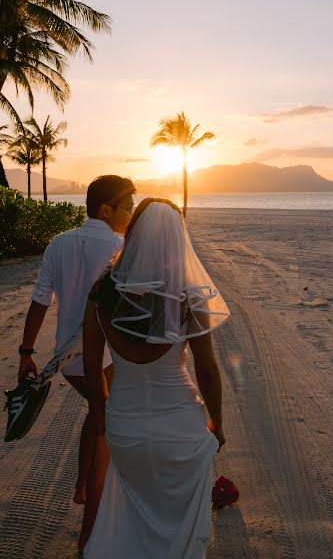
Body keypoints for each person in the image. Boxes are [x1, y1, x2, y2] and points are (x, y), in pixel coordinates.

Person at [80, 198, 230, 558]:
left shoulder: (102, 293)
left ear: (133, 236)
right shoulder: (188, 297)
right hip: (179, 426)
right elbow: (207, 370)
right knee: (176, 518)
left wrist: (103, 419)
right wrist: (218, 424)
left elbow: (91, 369)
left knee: (134, 514)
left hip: (125, 427)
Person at [17, 174, 136, 504]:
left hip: (67, 361)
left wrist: (27, 352)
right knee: (111, 421)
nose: (132, 213)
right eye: (127, 207)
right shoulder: (120, 249)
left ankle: (84, 487)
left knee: (99, 414)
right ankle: (99, 496)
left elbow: (41, 299)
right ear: (105, 210)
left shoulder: (58, 243)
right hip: (104, 359)